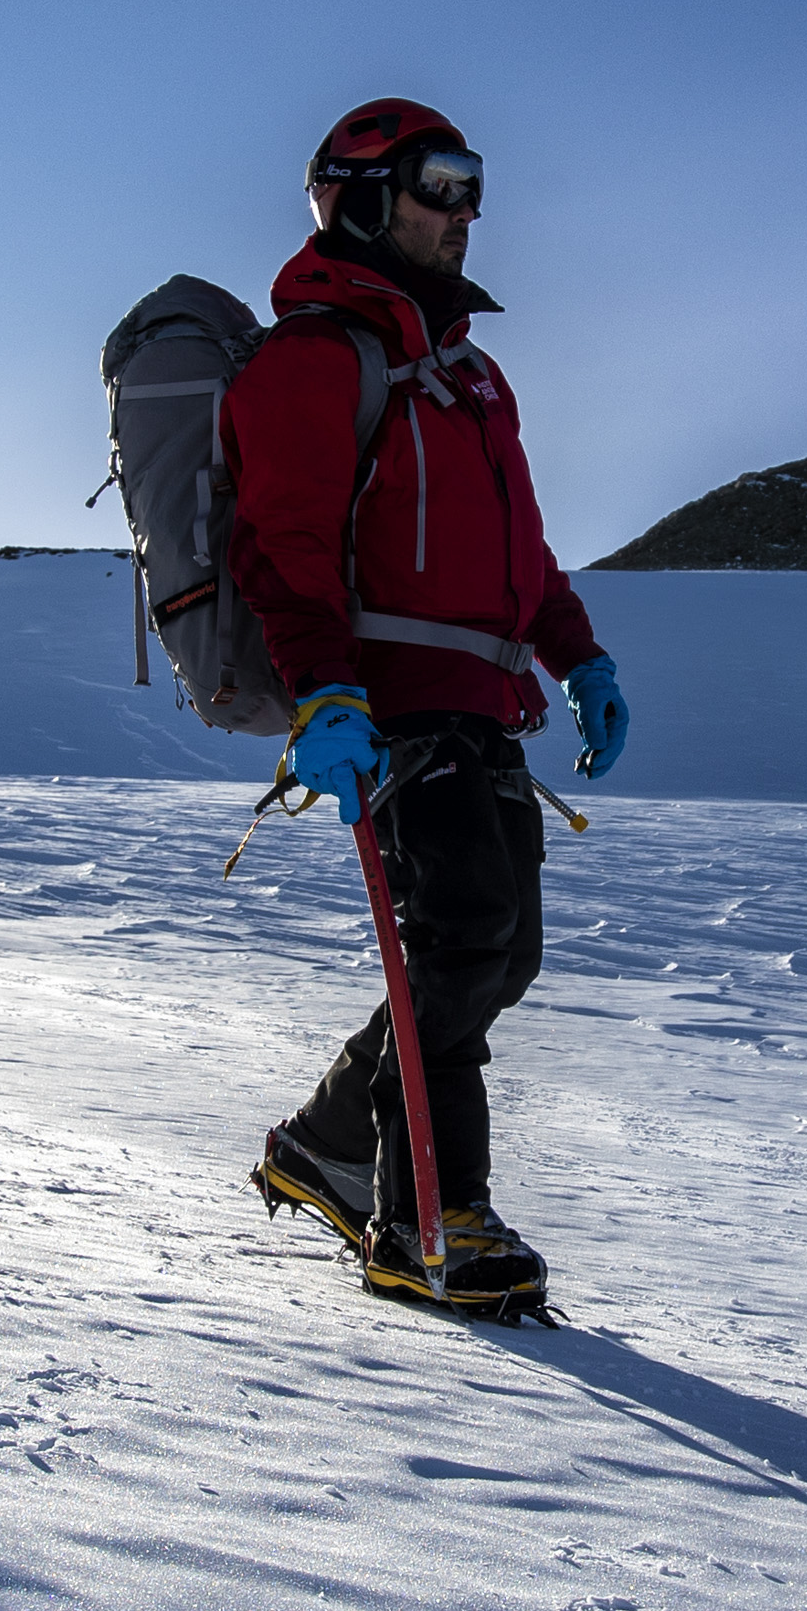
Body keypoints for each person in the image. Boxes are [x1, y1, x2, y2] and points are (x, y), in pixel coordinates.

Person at [229, 97, 630, 1313]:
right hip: (391, 701)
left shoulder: (466, 373)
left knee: (500, 953)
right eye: (436, 183)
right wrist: (327, 694)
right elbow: (278, 545)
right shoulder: (312, 359)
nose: (464, 211)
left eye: (471, 184)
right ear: (357, 198)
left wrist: (579, 657)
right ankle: (425, 1216)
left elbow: (522, 546)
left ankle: (322, 1141)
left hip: (484, 699)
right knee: (456, 941)